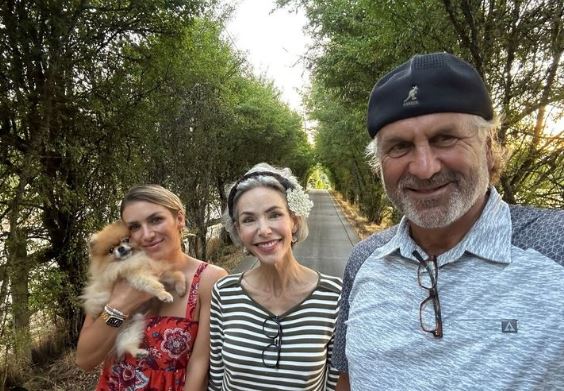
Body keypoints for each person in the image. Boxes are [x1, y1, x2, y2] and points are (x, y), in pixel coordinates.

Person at [333, 52, 564, 390]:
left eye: (445, 138)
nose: (424, 167)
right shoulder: (363, 262)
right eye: (399, 147)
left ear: (488, 145)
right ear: (379, 163)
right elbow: (347, 380)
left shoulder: (555, 249)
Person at [76, 184, 227, 390]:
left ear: (179, 219)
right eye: (135, 227)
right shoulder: (114, 277)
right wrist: (122, 303)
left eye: (156, 220)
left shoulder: (209, 280)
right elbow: (85, 360)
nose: (147, 235)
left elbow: (199, 365)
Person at [208, 163, 342, 390]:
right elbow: (216, 381)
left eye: (274, 215)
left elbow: (333, 384)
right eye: (249, 219)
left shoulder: (333, 296)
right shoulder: (224, 293)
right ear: (238, 231)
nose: (264, 229)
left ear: (295, 220)